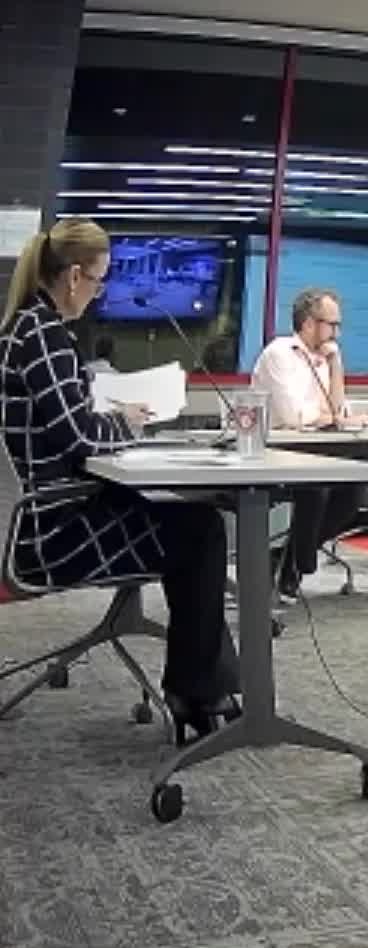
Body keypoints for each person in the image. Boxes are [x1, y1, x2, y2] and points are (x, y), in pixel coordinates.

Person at [0, 218, 239, 738]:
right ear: (73, 277)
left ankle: (206, 688)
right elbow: (78, 436)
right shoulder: (42, 334)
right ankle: (198, 693)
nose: (99, 293)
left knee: (188, 523)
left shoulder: (28, 326)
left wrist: (108, 420)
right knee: (200, 530)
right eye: (98, 280)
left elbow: (66, 424)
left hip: (48, 513)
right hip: (50, 533)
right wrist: (126, 422)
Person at [252, 287, 367, 597]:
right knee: (317, 486)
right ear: (308, 323)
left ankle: (290, 557)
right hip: (273, 448)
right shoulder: (280, 353)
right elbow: (295, 416)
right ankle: (297, 563)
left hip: (314, 446)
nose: (336, 333)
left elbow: (337, 411)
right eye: (332, 324)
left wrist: (336, 364)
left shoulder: (323, 359)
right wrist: (327, 415)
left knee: (354, 489)